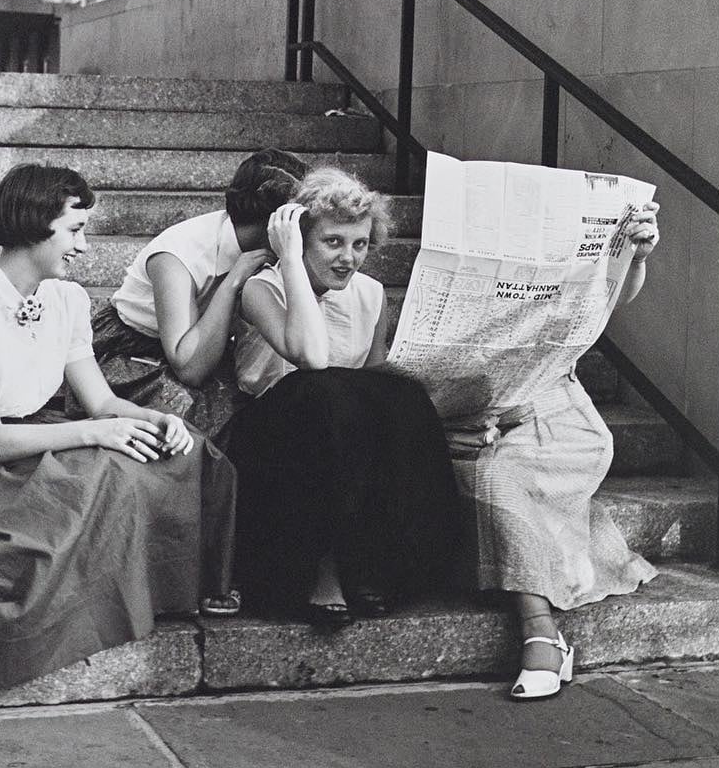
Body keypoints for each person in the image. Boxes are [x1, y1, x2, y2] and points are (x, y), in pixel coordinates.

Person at [0, 163, 238, 693]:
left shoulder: (65, 298)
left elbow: (102, 401)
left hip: (40, 432)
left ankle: (161, 594)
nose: (83, 247)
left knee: (186, 452)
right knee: (102, 484)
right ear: (34, 225)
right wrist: (91, 434)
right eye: (74, 230)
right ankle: (75, 616)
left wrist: (157, 418)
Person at [226, 168, 465, 627]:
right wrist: (290, 261)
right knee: (323, 392)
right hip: (275, 440)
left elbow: (373, 372)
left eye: (358, 244)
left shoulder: (371, 293)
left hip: (344, 436)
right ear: (299, 240)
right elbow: (310, 358)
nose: (348, 258)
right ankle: (322, 567)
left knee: (397, 394)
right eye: (332, 242)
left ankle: (381, 563)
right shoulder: (263, 288)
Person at [448, 200, 662, 700]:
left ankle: (539, 631)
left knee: (498, 476)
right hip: (477, 413)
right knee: (492, 474)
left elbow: (609, 301)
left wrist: (637, 255)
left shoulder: (559, 271)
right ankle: (542, 632)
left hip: (559, 412)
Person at [82, 148, 310, 435]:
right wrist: (234, 281)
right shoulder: (178, 253)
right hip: (134, 351)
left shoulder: (275, 250)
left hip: (206, 348)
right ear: (277, 221)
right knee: (191, 424)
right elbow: (189, 368)